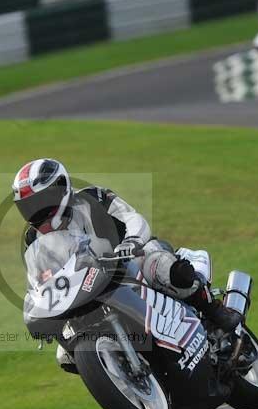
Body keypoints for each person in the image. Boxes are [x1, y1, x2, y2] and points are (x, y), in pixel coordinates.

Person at [12, 158, 244, 372]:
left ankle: (216, 312)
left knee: (168, 270)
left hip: (130, 258)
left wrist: (131, 242)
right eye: (28, 207)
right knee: (65, 355)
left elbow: (132, 218)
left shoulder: (93, 198)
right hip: (87, 287)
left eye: (39, 202)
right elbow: (40, 280)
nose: (35, 212)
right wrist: (39, 307)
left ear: (61, 189)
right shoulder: (33, 240)